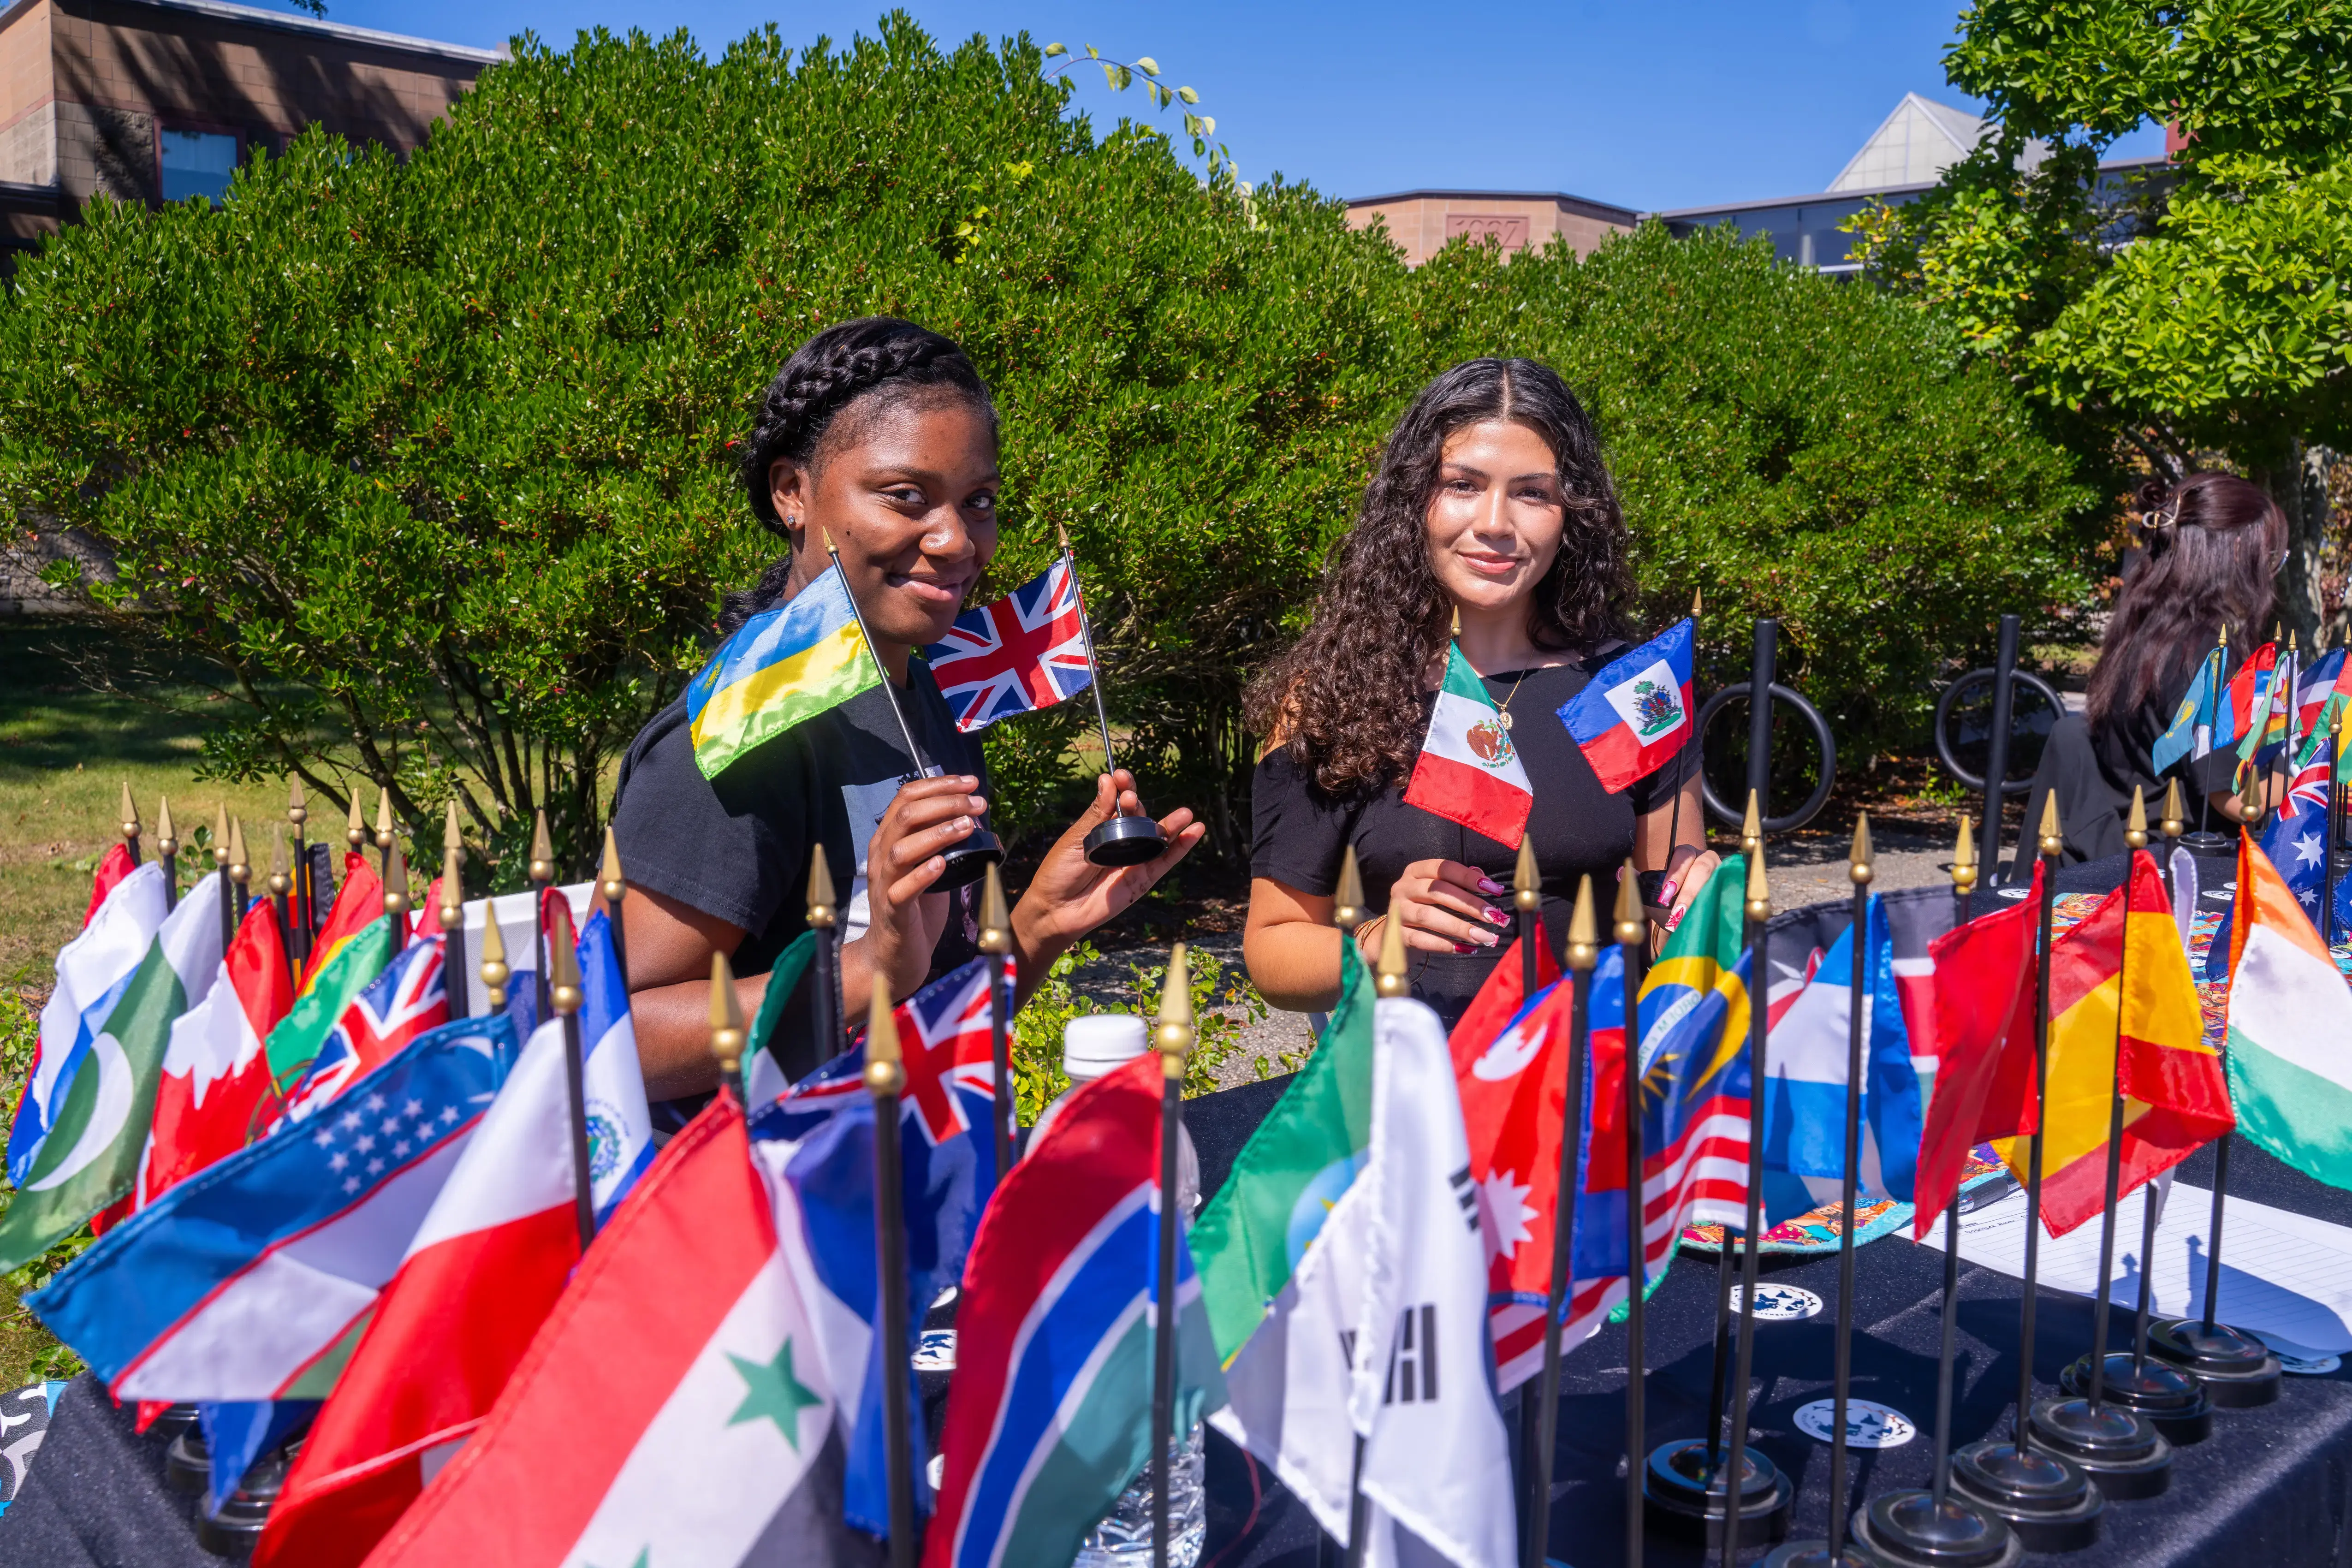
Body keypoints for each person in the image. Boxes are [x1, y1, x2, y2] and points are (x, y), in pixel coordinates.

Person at [610, 317, 1202, 1100]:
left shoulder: (924, 704)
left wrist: (1037, 927)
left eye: (979, 499)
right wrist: (864, 971)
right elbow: (619, 1040)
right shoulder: (746, 729)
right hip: (757, 1208)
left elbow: (932, 1021)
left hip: (901, 1184)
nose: (957, 539)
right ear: (793, 493)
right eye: (906, 497)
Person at [1241, 357, 1713, 1030]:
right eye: (1462, 485)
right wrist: (1379, 941)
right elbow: (1273, 953)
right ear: (1413, 501)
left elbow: (1667, 927)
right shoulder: (1335, 695)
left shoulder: (1634, 686)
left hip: (1591, 1089)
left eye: (1532, 493)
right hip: (1419, 1098)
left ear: (1572, 513)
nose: (1495, 521)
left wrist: (1698, 904)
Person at [2021, 471, 2289, 865]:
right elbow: (2235, 800)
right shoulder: (2206, 653)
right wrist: (2313, 767)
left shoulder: (2149, 629)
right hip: (2176, 869)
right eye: (2269, 556)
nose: (2270, 571)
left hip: (2120, 843)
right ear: (2236, 551)